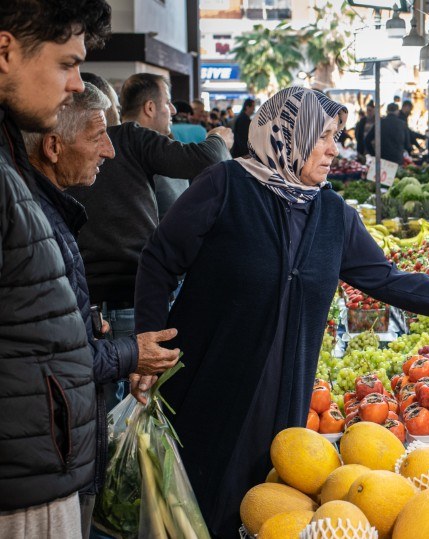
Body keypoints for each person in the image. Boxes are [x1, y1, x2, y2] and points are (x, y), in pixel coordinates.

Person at [133, 87, 429, 537]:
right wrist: (148, 343)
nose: (335, 149)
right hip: (209, 384)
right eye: (324, 136)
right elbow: (158, 259)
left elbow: (386, 279)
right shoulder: (225, 186)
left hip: (284, 396)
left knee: (270, 507)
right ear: (287, 136)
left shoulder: (332, 213)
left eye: (336, 136)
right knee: (197, 507)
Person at [22, 83, 182, 537]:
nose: (110, 151)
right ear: (53, 146)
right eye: (97, 136)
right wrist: (128, 354)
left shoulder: (51, 211)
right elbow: (53, 357)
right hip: (45, 460)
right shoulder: (34, 221)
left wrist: (91, 330)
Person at [0, 0, 110, 534]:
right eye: (67, 63)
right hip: (21, 490)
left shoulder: (9, 162)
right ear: (5, 51)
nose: (75, 83)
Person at [68, 73, 232, 346]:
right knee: (144, 386)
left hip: (86, 306)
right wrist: (218, 139)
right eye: (113, 110)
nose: (106, 149)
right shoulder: (128, 138)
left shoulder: (56, 155)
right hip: (133, 301)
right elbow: (206, 159)